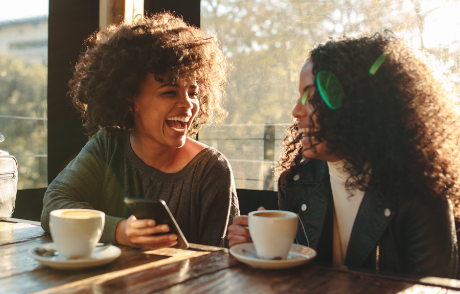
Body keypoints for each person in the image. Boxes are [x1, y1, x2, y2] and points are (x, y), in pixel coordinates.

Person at [228, 33, 460, 278]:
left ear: (359, 104)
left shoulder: (420, 195)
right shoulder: (296, 183)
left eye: (311, 96)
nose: (296, 111)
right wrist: (259, 248)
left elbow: (434, 288)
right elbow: (293, 277)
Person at [41, 12, 239, 249]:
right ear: (129, 98)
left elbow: (219, 263)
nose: (188, 104)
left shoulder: (211, 169)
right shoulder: (108, 147)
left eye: (193, 92)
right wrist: (119, 230)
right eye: (169, 92)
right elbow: (54, 206)